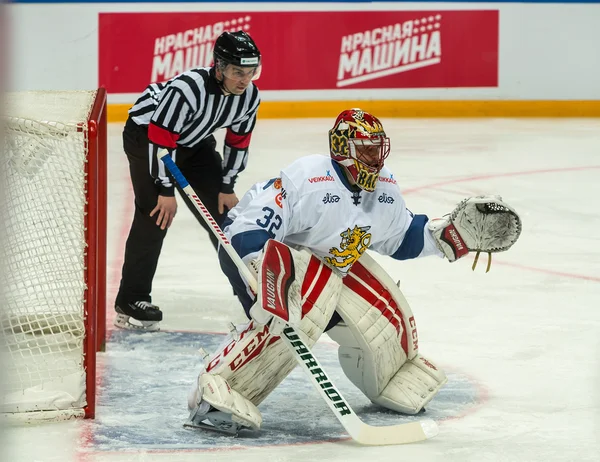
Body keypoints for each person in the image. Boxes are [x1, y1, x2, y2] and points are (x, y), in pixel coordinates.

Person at [185, 108, 522, 435]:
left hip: (329, 266)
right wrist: (258, 264)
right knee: (302, 308)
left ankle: (391, 374)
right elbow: (249, 222)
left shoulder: (384, 189)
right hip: (262, 260)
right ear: (342, 150)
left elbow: (400, 237)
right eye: (365, 150)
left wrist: (448, 237)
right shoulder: (310, 179)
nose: (375, 159)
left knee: (382, 314)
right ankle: (218, 390)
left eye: (378, 149)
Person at [115, 30, 262, 331]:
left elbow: (238, 141)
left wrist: (227, 185)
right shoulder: (188, 89)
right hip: (146, 136)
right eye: (237, 72)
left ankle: (250, 294)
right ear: (219, 67)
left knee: (226, 217)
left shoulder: (249, 97)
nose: (244, 80)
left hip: (192, 140)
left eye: (250, 72)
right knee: (155, 213)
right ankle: (131, 299)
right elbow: (160, 137)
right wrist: (165, 188)